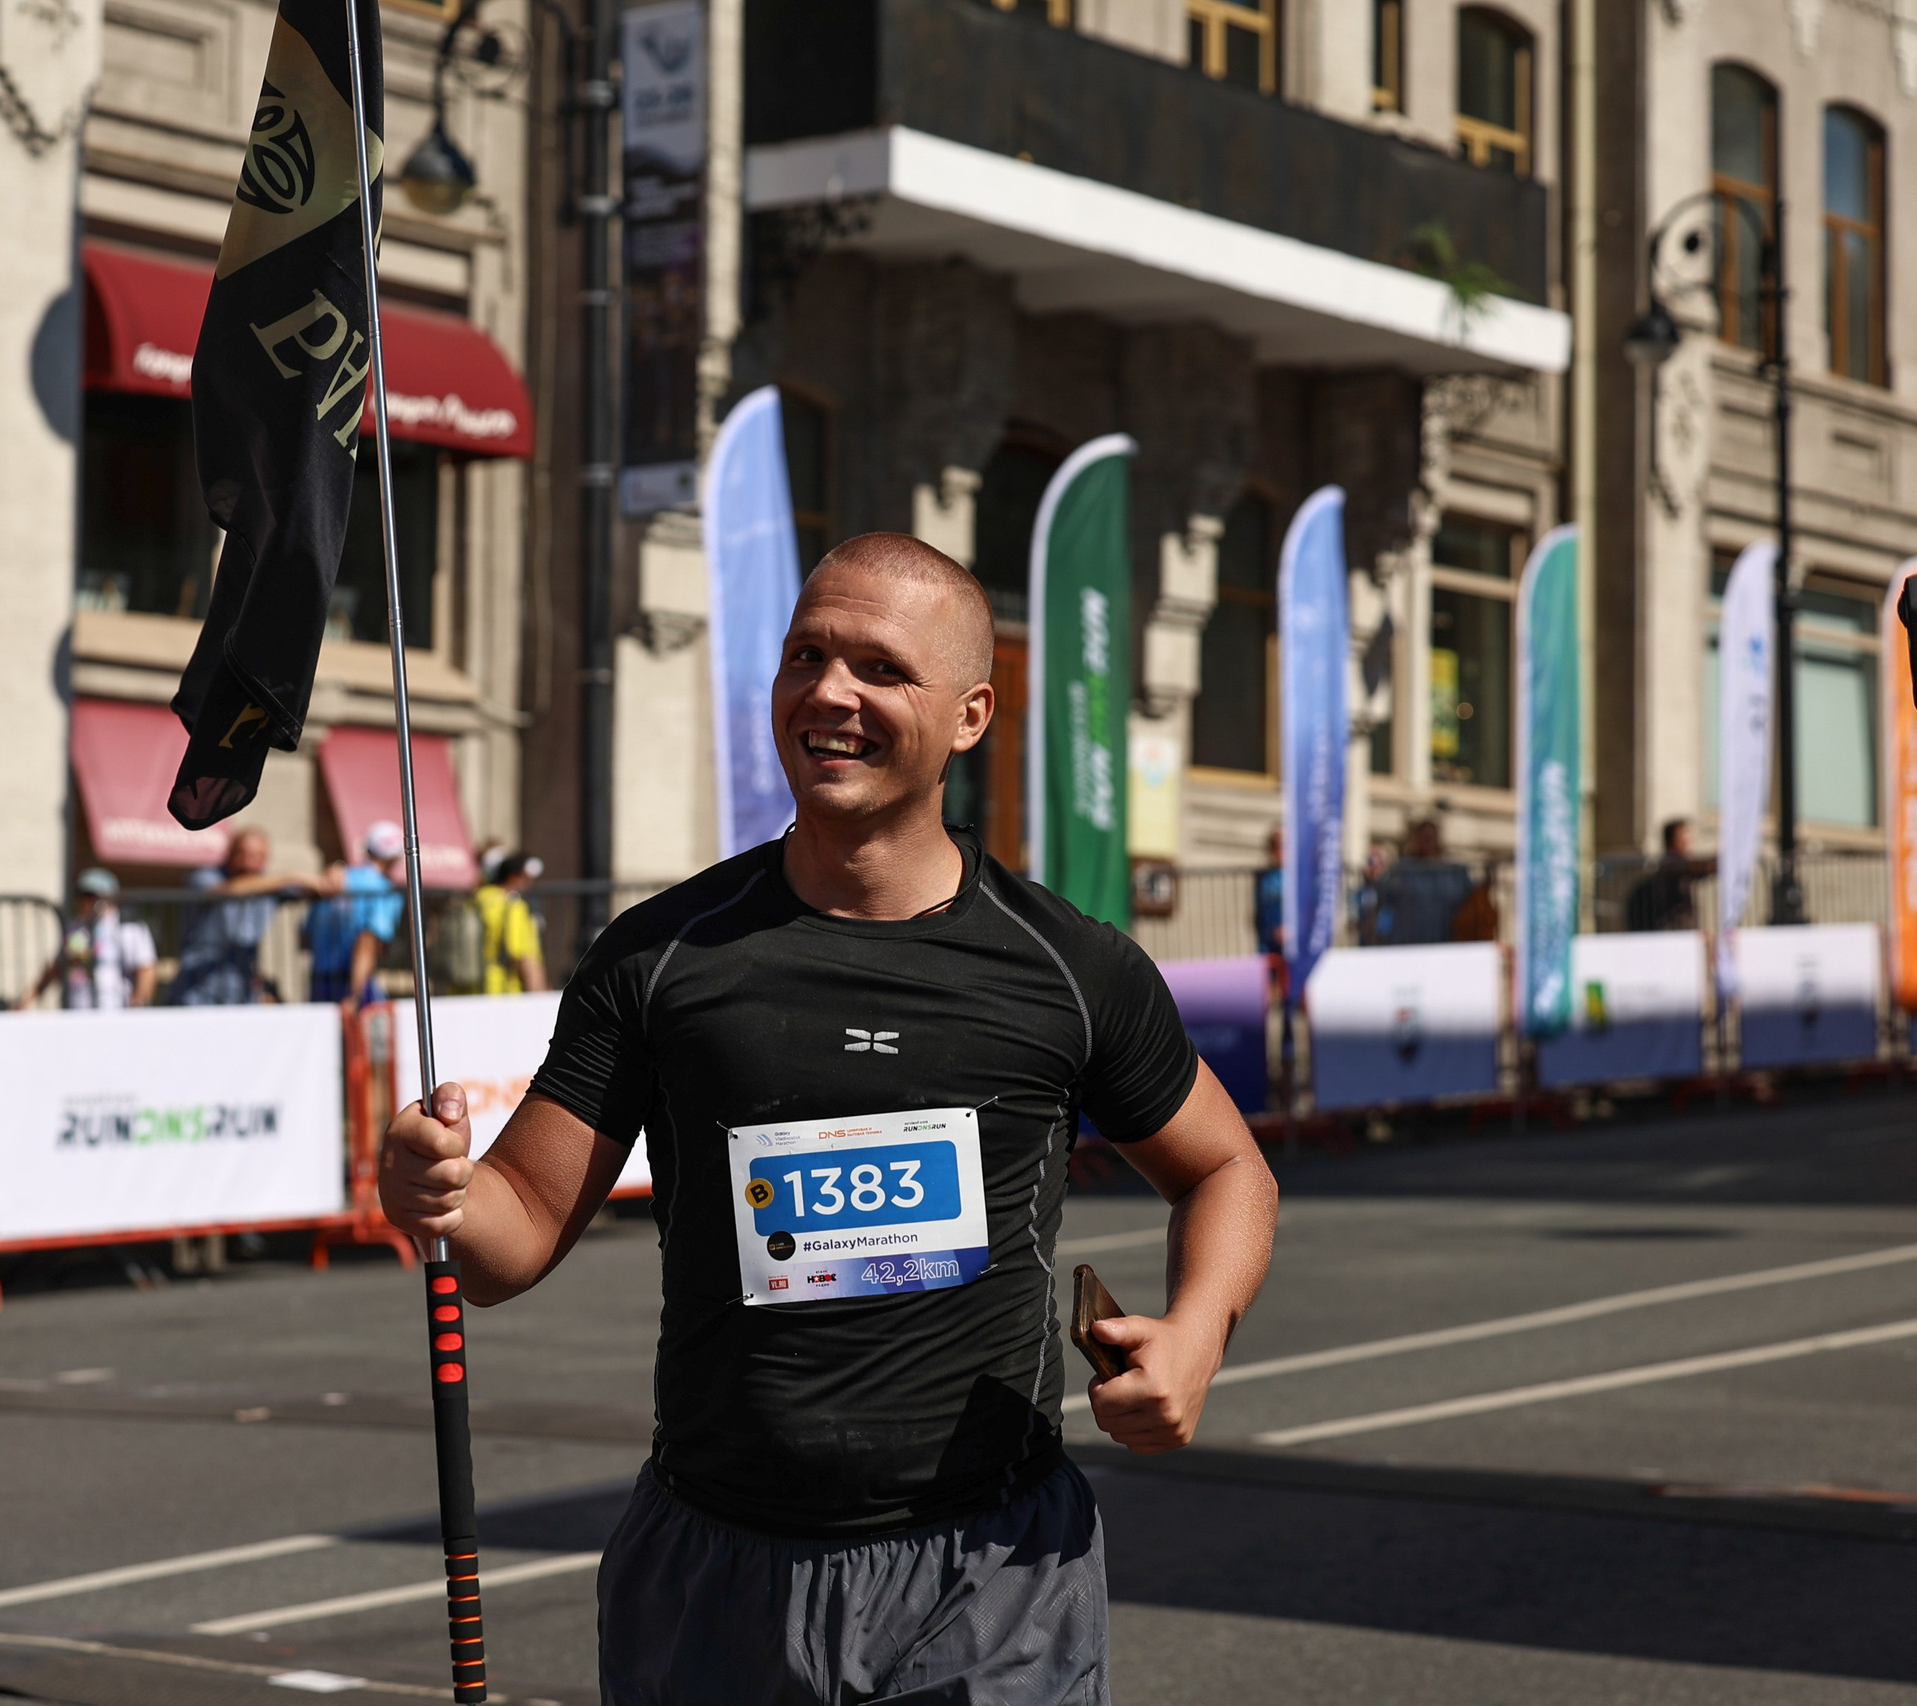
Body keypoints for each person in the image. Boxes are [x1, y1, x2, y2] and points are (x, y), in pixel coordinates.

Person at [380, 534, 1278, 1704]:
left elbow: (1227, 1169)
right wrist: (440, 1195)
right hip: (715, 1571)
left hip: (989, 1570)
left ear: (970, 714)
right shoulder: (662, 958)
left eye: (879, 668)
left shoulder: (1066, 966)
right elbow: (513, 1231)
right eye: (807, 654)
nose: (829, 693)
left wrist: (1198, 1330)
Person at [169, 829, 330, 1005]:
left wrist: (332, 879)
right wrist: (290, 876)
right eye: (244, 855)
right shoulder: (203, 877)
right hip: (197, 988)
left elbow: (316, 890)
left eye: (258, 856)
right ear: (230, 854)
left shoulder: (270, 887)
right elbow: (230, 891)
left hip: (241, 991)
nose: (249, 863)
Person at [306, 821, 405, 1014]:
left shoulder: (335, 881)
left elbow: (305, 936)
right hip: (352, 982)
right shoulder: (384, 891)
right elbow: (367, 941)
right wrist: (355, 994)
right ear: (396, 857)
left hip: (320, 978)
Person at [33, 868, 158, 1011]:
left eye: (90, 896)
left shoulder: (128, 927)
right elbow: (57, 967)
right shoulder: (76, 927)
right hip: (78, 1011)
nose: (84, 902)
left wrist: (138, 1006)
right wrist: (28, 999)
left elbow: (146, 969)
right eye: (80, 895)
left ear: (107, 898)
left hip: (115, 1011)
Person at [1373, 818, 1470, 945]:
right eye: (1424, 837)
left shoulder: (1452, 872)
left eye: (1431, 837)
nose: (1428, 841)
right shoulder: (1402, 870)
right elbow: (1382, 895)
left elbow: (1468, 900)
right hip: (1408, 945)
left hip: (1443, 943)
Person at [473, 849, 548, 994]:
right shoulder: (514, 905)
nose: (529, 884)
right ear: (514, 877)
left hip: (474, 985)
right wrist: (539, 991)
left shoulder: (477, 899)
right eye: (526, 878)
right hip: (506, 988)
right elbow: (519, 954)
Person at [1624, 817, 1712, 931]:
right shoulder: (1672, 865)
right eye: (1685, 835)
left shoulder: (1680, 864)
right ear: (1673, 839)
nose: (1690, 840)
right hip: (1669, 928)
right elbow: (1696, 868)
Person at [1252, 826, 1283, 957]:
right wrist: (1272, 933)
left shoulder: (1302, 878)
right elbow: (1259, 915)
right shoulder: (1263, 877)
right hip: (1270, 946)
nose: (1281, 851)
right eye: (1276, 845)